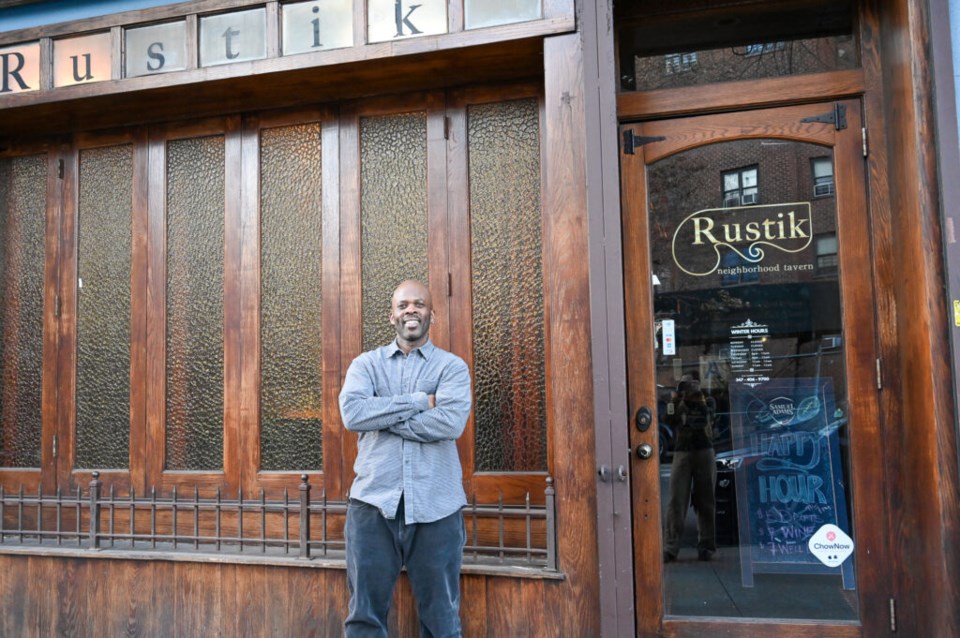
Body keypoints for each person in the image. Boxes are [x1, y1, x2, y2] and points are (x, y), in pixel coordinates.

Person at [339, 279, 472, 637]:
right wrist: (418, 402)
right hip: (372, 506)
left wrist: (384, 418)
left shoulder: (452, 368)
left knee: (442, 619)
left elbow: (450, 422)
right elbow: (353, 415)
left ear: (432, 314)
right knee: (364, 618)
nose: (410, 310)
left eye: (419, 304)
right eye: (403, 305)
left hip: (437, 507)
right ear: (392, 316)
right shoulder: (366, 365)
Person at [663, 372, 718, 562]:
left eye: (691, 385)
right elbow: (669, 420)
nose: (689, 389)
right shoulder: (679, 403)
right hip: (683, 449)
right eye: (685, 385)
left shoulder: (707, 400)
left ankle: (706, 545)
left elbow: (707, 418)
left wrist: (698, 398)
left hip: (704, 449)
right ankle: (670, 546)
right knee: (676, 499)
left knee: (706, 499)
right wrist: (677, 400)